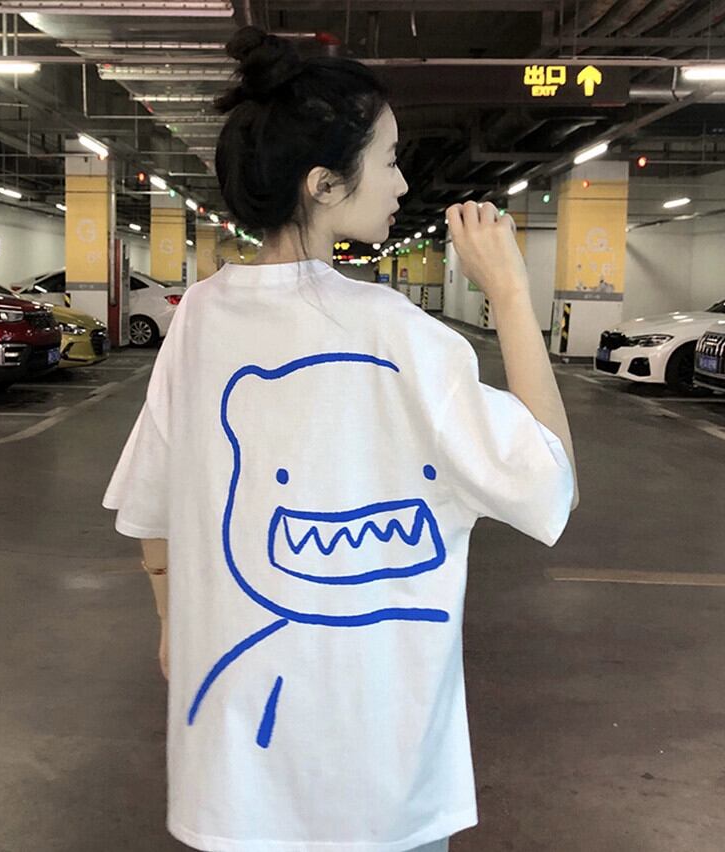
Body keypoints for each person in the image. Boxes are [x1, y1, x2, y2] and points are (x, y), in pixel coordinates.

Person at [102, 24, 579, 852]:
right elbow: (549, 481)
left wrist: (173, 621)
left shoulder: (200, 319)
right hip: (382, 774)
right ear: (323, 184)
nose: (403, 182)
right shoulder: (400, 333)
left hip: (235, 771)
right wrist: (508, 292)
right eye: (389, 160)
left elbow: (152, 504)